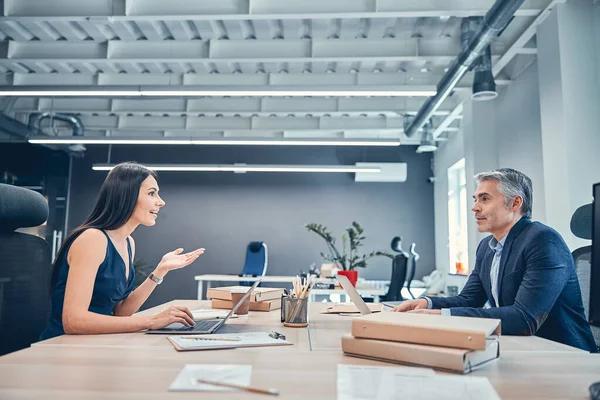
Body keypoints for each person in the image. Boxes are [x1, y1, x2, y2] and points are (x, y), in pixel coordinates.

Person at [393, 168, 598, 353]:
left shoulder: (543, 240)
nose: (474, 207)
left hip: (564, 355)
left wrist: (443, 316)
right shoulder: (486, 248)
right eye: (475, 199)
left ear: (515, 203)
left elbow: (523, 319)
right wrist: (427, 303)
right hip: (521, 348)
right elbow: (468, 300)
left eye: (485, 199)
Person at [40, 162, 204, 340]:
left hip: (94, 342)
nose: (161, 202)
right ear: (127, 195)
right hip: (61, 344)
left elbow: (121, 312)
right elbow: (74, 321)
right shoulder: (92, 239)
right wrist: (151, 321)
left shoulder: (127, 243)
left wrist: (160, 270)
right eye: (151, 193)